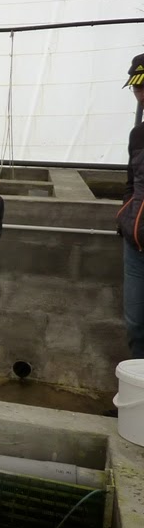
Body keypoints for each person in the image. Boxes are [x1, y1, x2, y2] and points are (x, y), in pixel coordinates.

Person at [118, 52, 144, 360]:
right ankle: (136, 398)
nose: (140, 94)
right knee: (136, 324)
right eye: (136, 87)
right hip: (135, 246)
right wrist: (126, 218)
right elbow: (130, 183)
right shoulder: (138, 135)